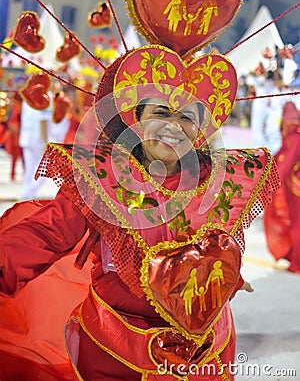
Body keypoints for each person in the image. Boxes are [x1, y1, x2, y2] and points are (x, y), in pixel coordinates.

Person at [0, 44, 280, 381]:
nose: (174, 126)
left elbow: (218, 254)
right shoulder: (103, 176)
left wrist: (228, 281)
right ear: (136, 118)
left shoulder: (221, 181)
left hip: (207, 354)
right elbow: (46, 233)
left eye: (188, 117)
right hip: (117, 350)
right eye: (161, 112)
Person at [263, 100, 300, 274]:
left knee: (296, 224)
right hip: (294, 185)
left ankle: (297, 263)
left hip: (295, 188)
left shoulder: (295, 137)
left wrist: (273, 182)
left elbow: (286, 163)